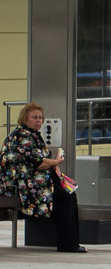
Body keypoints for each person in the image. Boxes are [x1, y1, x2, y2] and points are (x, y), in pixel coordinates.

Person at [0, 102, 84, 252]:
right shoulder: (22, 136)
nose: (38, 120)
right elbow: (38, 163)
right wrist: (57, 161)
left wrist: (53, 165)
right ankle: (67, 244)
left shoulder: (33, 135)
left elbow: (41, 160)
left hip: (34, 182)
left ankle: (72, 243)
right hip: (23, 185)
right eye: (34, 117)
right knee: (64, 199)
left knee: (70, 196)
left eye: (40, 117)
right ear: (25, 118)